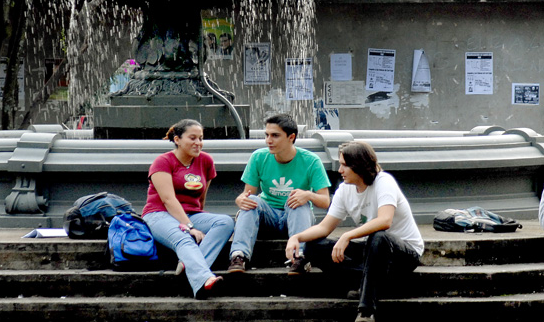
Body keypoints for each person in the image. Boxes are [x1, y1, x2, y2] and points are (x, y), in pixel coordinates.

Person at [285, 141, 424, 322]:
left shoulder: (384, 182)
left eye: (344, 165)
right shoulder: (344, 190)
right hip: (372, 255)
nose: (340, 170)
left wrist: (348, 235)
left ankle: (366, 310)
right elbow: (324, 227)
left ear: (359, 165)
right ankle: (370, 282)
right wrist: (297, 237)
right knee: (313, 247)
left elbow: (385, 220)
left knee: (379, 236)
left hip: (403, 254)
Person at [142, 119, 234, 299]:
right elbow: (168, 200)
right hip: (159, 214)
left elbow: (201, 199)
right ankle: (204, 281)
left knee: (226, 222)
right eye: (192, 138)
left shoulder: (205, 161)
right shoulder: (162, 162)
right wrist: (190, 227)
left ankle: (187, 263)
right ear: (177, 140)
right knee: (185, 238)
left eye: (200, 138)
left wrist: (195, 221)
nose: (198, 143)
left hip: (191, 214)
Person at [228, 113, 331, 274]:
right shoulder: (258, 157)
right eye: (267, 135)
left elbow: (325, 201)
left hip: (296, 217)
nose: (268, 140)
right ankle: (239, 256)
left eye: (275, 136)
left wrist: (308, 195)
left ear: (291, 137)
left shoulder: (311, 161)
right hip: (267, 218)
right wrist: (240, 200)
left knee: (298, 201)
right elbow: (247, 194)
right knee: (252, 201)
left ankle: (299, 257)